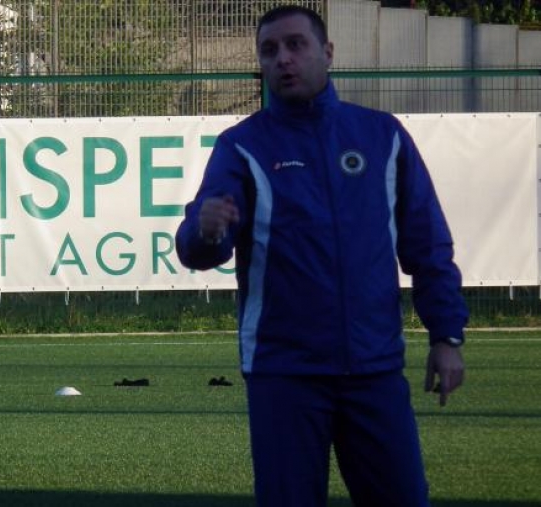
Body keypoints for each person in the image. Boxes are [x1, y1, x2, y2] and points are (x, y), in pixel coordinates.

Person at [175, 5, 468, 507]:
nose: (283, 60)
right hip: (284, 374)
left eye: (295, 45)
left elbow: (428, 246)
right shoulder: (241, 146)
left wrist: (446, 335)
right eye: (269, 51)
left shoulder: (383, 137)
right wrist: (204, 233)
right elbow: (199, 249)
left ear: (327, 53)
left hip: (374, 371)